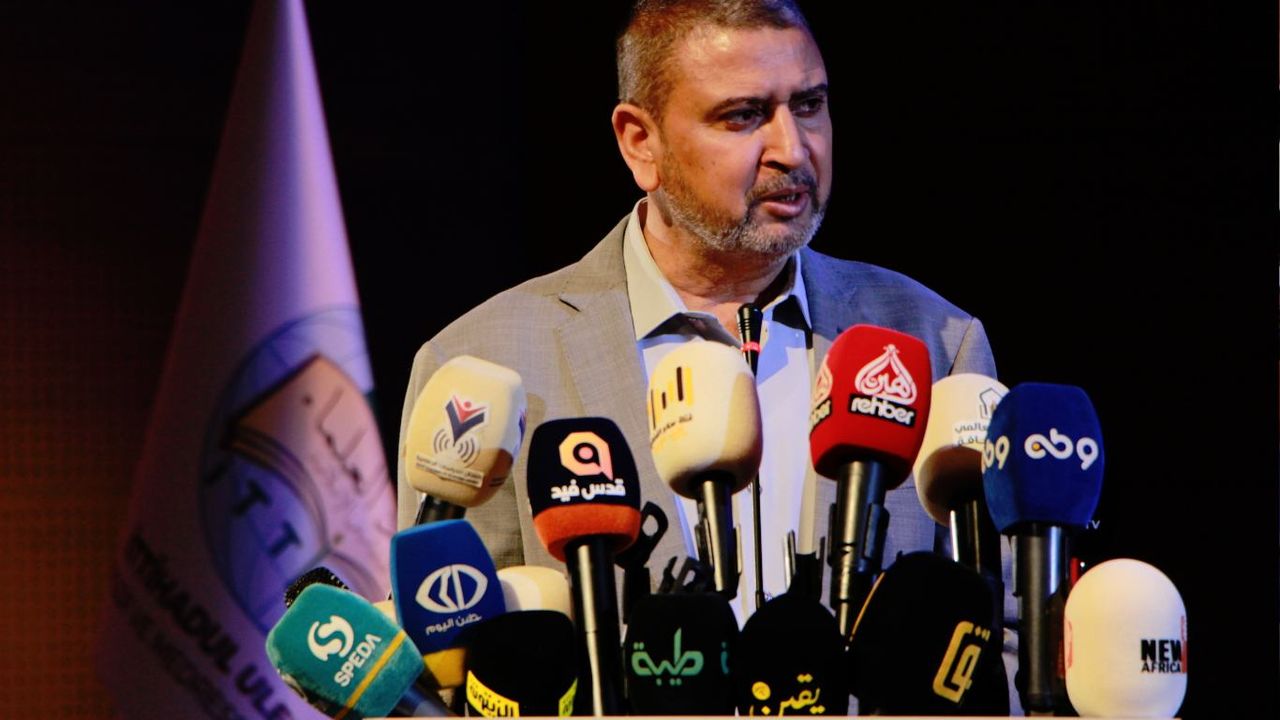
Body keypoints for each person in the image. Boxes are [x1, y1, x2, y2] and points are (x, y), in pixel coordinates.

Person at [396, 0, 995, 616]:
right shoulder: (486, 361)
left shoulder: (935, 341)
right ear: (641, 143)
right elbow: (450, 639)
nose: (793, 149)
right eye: (743, 116)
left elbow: (1001, 628)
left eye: (809, 105)